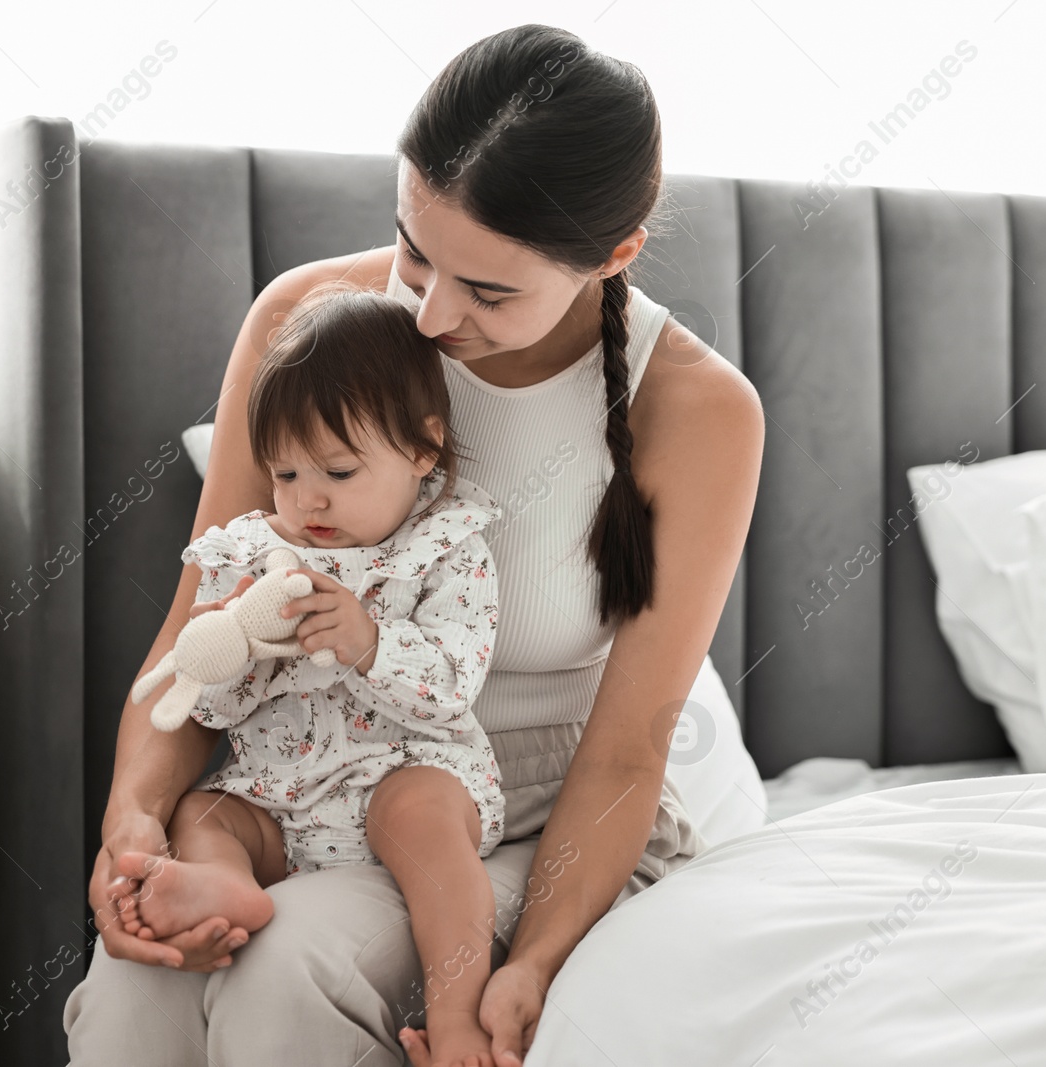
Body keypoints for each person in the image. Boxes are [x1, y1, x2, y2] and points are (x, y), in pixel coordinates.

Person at [63, 22, 765, 1067]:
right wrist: (133, 823)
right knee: (136, 986)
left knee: (287, 967)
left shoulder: (698, 410)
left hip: (534, 810)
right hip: (305, 779)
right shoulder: (306, 318)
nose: (431, 314)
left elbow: (627, 748)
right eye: (412, 248)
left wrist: (526, 962)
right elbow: (195, 633)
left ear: (613, 256)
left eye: (486, 289)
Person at [115, 283, 512, 1066]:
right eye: (286, 474)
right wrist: (226, 645)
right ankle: (223, 884)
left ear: (422, 449)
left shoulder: (443, 548)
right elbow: (212, 710)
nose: (309, 500)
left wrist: (371, 642)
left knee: (422, 812)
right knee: (204, 809)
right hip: (282, 795)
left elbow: (452, 684)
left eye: (337, 469)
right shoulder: (251, 552)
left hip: (406, 768)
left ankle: (459, 1010)